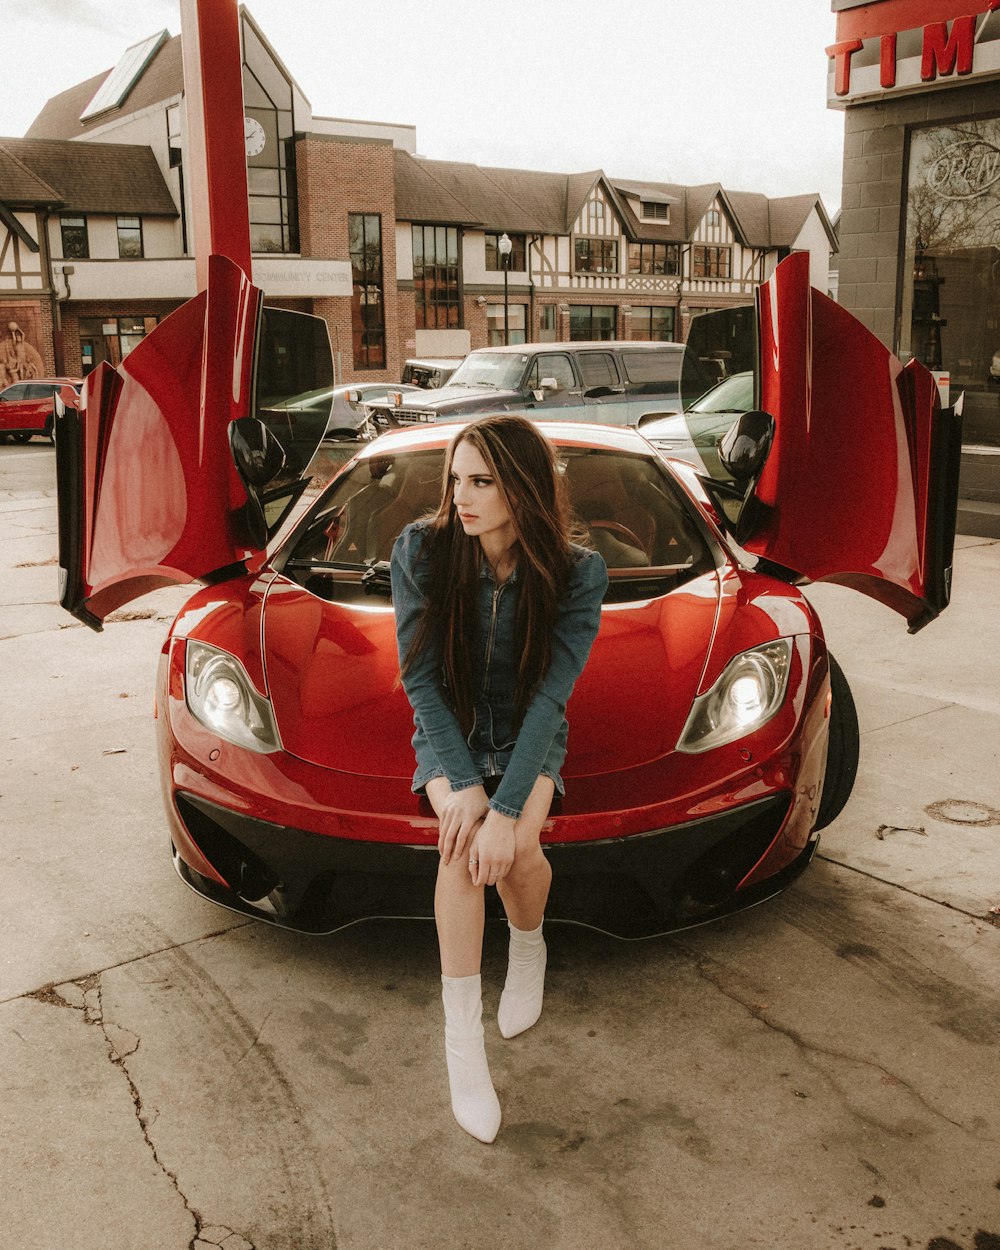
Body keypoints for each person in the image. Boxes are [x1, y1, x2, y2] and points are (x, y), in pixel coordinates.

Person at [390, 414, 608, 1143]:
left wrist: (509, 805)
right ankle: (463, 1048)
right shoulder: (421, 551)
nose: (461, 498)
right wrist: (469, 788)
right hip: (448, 730)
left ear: (523, 487)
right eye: (455, 479)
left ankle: (529, 943)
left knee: (514, 855)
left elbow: (552, 696)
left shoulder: (578, 573)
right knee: (461, 849)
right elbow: (420, 681)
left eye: (481, 481)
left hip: (528, 734)